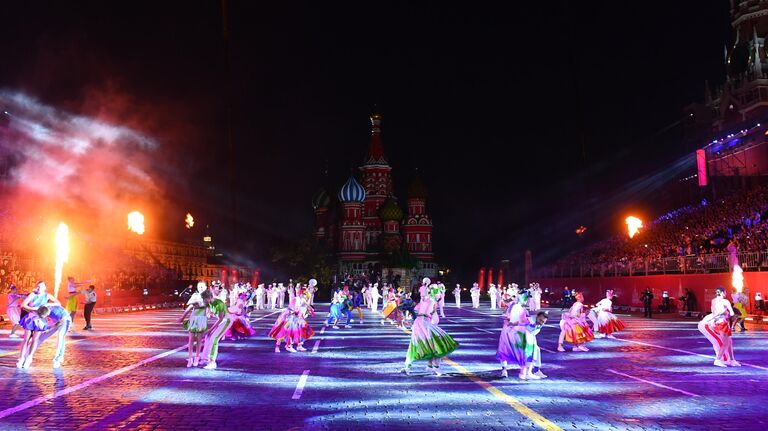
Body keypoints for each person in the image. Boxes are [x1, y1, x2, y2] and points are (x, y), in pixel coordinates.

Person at [401, 285, 459, 375]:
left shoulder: (429, 301)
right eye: (438, 294)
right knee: (435, 344)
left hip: (422, 323)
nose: (439, 296)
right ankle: (435, 367)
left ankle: (424, 366)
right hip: (423, 323)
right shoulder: (429, 300)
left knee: (423, 345)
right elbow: (425, 306)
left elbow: (420, 307)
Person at [497, 290, 548, 380]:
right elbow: (519, 322)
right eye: (527, 299)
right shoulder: (519, 308)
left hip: (509, 331)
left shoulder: (514, 306)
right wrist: (530, 322)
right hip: (518, 333)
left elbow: (510, 319)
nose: (528, 301)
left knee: (506, 351)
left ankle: (508, 370)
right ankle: (526, 373)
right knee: (527, 352)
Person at [698, 287, 739, 367]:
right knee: (722, 343)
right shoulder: (725, 302)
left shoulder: (714, 302)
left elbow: (715, 312)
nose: (736, 319)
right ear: (723, 293)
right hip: (710, 324)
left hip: (716, 322)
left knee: (729, 341)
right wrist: (727, 312)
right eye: (725, 292)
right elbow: (730, 313)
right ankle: (719, 359)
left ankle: (731, 360)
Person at [178, 284, 212, 367]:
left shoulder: (207, 296)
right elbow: (189, 307)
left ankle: (197, 357)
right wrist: (182, 317)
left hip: (201, 319)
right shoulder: (195, 295)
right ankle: (190, 359)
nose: (200, 288)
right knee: (191, 339)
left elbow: (209, 307)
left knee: (199, 340)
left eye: (202, 286)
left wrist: (208, 313)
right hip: (193, 318)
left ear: (205, 287)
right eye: (199, 286)